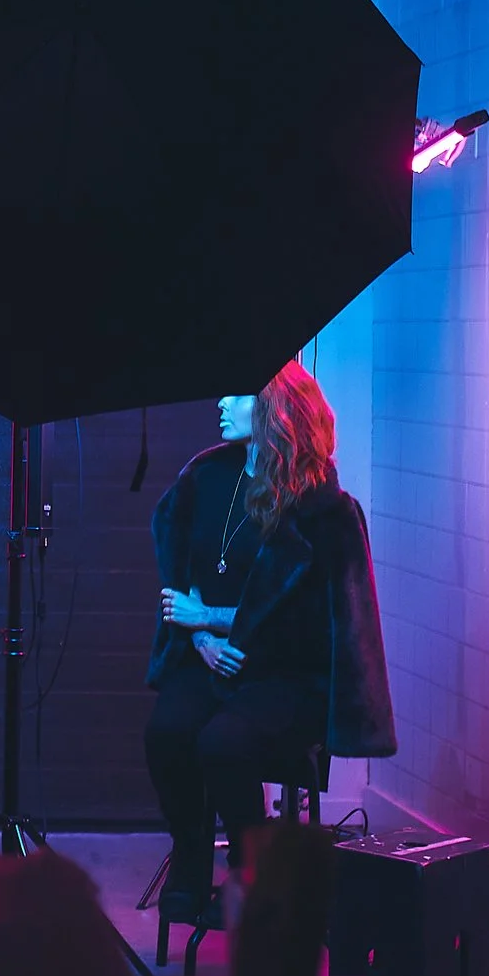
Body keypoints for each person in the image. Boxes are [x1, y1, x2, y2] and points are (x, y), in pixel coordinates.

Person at [141, 360, 395, 927]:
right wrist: (202, 634)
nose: (221, 404)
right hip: (212, 658)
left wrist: (209, 616)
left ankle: (253, 872)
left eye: (238, 395)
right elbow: (182, 566)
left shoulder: (323, 511)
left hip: (286, 675)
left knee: (223, 744)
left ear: (275, 413)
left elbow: (312, 623)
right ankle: (189, 858)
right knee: (167, 732)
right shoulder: (206, 478)